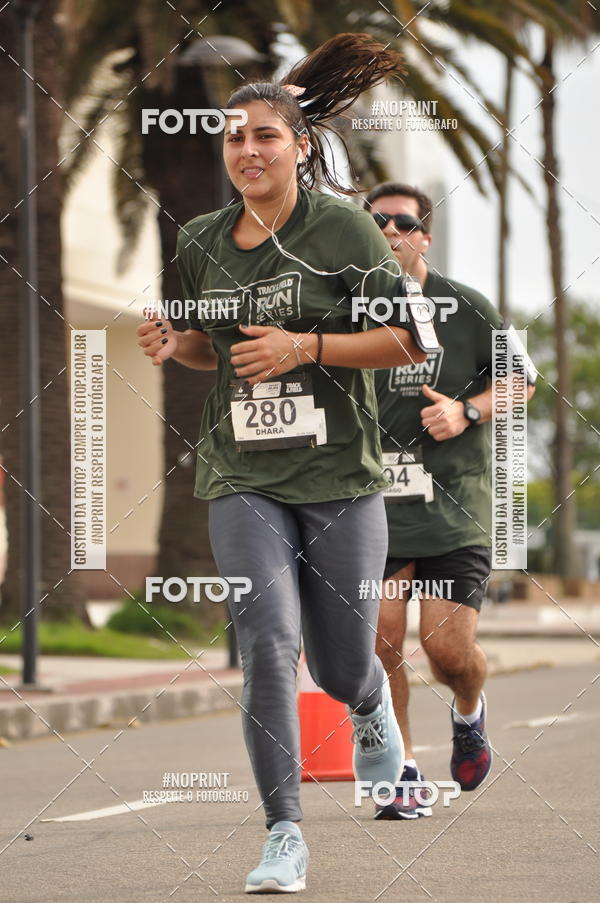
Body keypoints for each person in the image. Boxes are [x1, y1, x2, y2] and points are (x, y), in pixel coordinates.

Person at [138, 36, 428, 894]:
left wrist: (306, 344)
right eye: (232, 137)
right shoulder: (197, 240)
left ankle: (371, 706)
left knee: (340, 665)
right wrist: (173, 343)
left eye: (264, 135)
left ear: (299, 146)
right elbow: (208, 352)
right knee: (267, 643)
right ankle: (284, 833)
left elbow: (410, 339)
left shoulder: (340, 228)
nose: (247, 150)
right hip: (241, 473)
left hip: (340, 476)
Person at [365, 182, 536, 819]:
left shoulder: (466, 305)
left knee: (446, 654)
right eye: (374, 221)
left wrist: (467, 411)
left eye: (401, 222)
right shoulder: (346, 306)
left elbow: (521, 382)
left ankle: (469, 713)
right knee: (377, 648)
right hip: (371, 507)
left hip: (453, 508)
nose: (387, 231)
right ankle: (402, 771)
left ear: (424, 235)